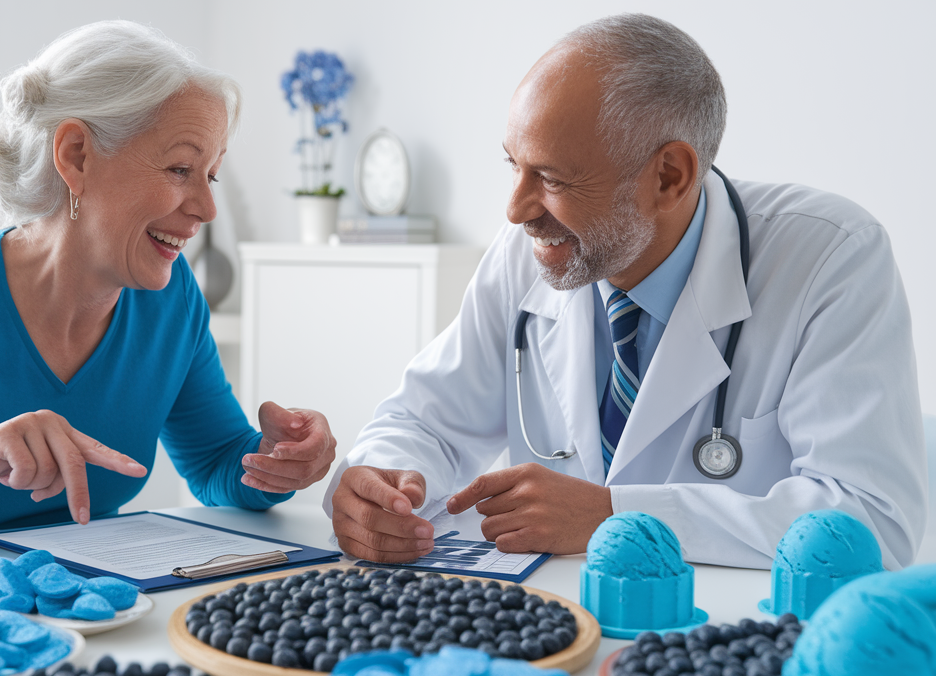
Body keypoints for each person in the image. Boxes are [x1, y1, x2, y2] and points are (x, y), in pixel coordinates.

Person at [326, 13, 925, 570]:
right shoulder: (528, 253)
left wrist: (616, 518)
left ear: (669, 176)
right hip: (555, 619)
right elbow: (425, 420)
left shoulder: (831, 258)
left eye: (553, 179)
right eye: (515, 165)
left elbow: (870, 521)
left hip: (724, 638)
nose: (515, 210)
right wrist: (385, 478)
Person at [0, 21, 335, 537]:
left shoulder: (170, 300)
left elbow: (217, 462)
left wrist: (275, 459)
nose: (207, 208)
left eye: (210, 175)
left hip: (97, 614)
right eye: (179, 169)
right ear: (76, 156)